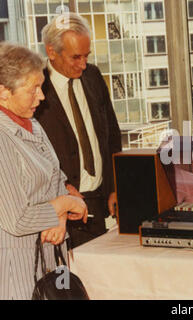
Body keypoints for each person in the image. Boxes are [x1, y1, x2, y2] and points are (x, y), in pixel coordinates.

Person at [0, 42, 88, 299]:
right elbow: (17, 220)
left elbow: (56, 178)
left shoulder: (33, 125)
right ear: (3, 92)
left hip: (48, 262)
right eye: (34, 89)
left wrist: (60, 218)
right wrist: (66, 202)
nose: (42, 96)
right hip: (15, 273)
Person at [34, 13, 122, 249]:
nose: (83, 64)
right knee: (67, 281)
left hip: (99, 201)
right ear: (51, 51)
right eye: (75, 57)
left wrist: (115, 186)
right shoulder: (35, 88)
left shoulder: (92, 76)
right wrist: (59, 188)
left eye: (86, 56)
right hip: (62, 204)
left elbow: (112, 135)